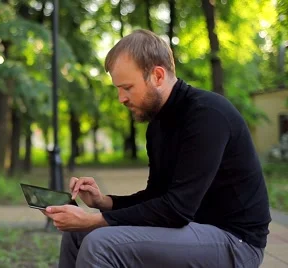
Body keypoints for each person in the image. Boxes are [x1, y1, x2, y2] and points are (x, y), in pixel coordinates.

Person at [42, 29, 271, 268]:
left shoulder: (208, 115)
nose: (121, 98)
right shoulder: (157, 125)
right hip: (192, 230)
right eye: (118, 89)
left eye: (127, 87)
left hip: (236, 242)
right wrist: (104, 202)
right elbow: (157, 197)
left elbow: (176, 210)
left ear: (158, 76)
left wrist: (94, 220)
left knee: (100, 243)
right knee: (77, 235)